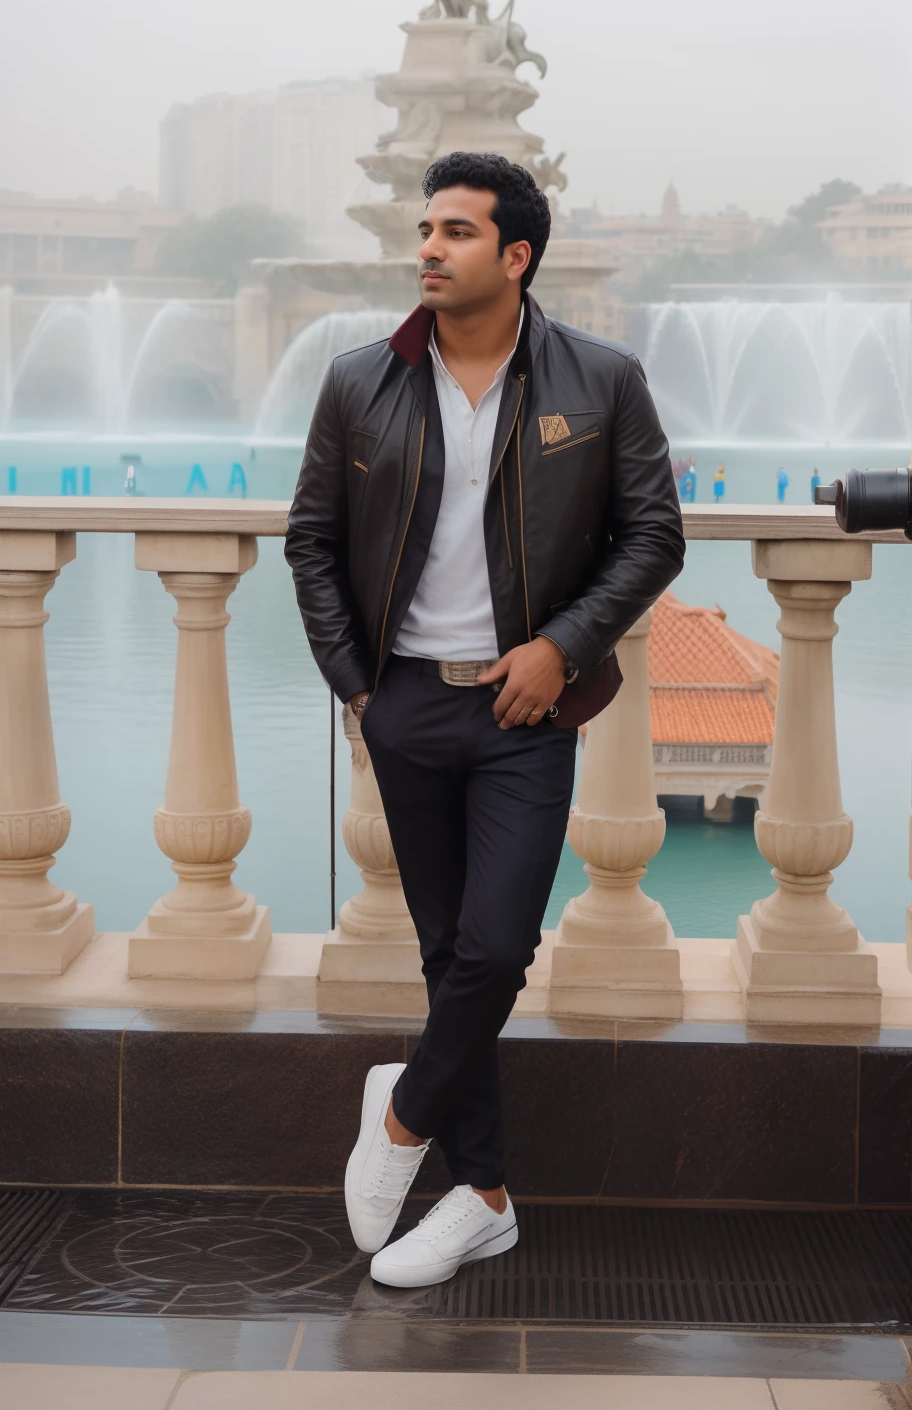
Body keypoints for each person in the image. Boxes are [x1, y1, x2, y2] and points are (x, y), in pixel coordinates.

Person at [285, 152, 685, 1289]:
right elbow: (310, 540)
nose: (427, 247)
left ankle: (404, 1116)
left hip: (529, 707)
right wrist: (359, 687)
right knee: (449, 953)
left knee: (498, 948)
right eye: (424, 228)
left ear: (515, 257)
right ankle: (487, 1200)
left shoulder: (600, 380)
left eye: (456, 232)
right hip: (405, 700)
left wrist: (560, 647)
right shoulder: (359, 380)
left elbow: (654, 536)